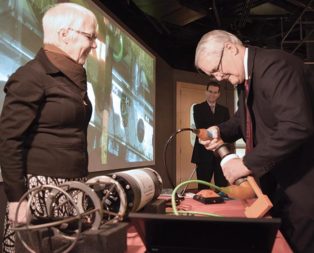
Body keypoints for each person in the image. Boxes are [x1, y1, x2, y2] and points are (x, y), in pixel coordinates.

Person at [194, 29, 314, 253]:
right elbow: (243, 120)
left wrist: (246, 163)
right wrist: (218, 130)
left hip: (304, 189)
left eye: (217, 69)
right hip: (280, 186)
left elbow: (296, 126)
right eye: (213, 75)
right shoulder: (247, 78)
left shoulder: (276, 66)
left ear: (230, 48)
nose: (218, 78)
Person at [0, 3, 98, 252]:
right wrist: (16, 199)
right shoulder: (31, 76)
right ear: (65, 34)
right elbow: (9, 140)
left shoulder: (73, 77)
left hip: (73, 190)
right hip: (39, 195)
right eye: (90, 37)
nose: (94, 45)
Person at [191, 82, 229, 189]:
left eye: (215, 92)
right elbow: (201, 128)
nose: (212, 94)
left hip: (220, 152)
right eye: (210, 91)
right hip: (203, 152)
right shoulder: (197, 108)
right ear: (206, 92)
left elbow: (227, 129)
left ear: (219, 94)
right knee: (203, 186)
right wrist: (217, 131)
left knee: (222, 187)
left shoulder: (224, 110)